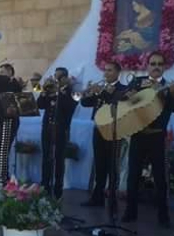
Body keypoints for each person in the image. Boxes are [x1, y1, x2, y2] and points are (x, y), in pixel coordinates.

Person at [122, 52, 174, 228]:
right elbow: (125, 101)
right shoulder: (137, 82)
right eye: (153, 63)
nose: (156, 66)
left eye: (160, 63)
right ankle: (130, 212)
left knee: (160, 177)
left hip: (157, 136)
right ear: (147, 65)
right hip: (138, 135)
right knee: (133, 175)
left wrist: (173, 94)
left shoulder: (170, 85)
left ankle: (163, 216)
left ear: (164, 67)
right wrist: (133, 94)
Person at [80, 62, 127, 207]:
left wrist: (102, 92)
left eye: (110, 70)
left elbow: (118, 102)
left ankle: (112, 198)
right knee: (99, 164)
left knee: (112, 166)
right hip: (98, 129)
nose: (106, 73)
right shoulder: (100, 89)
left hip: (113, 131)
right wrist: (89, 93)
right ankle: (97, 197)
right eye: (105, 70)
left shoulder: (123, 89)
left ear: (118, 73)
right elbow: (85, 103)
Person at [37, 67, 77, 199]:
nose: (56, 80)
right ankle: (45, 186)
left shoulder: (70, 92)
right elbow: (40, 105)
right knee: (46, 157)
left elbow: (69, 107)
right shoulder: (50, 92)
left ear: (65, 78)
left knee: (58, 159)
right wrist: (43, 92)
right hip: (47, 128)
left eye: (59, 77)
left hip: (61, 130)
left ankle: (58, 189)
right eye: (55, 77)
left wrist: (58, 92)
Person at [0, 63, 23, 183]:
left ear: (10, 72)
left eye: (2, 72)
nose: (0, 75)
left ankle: (3, 176)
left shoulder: (13, 83)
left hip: (9, 120)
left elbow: (16, 97)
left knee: (4, 148)